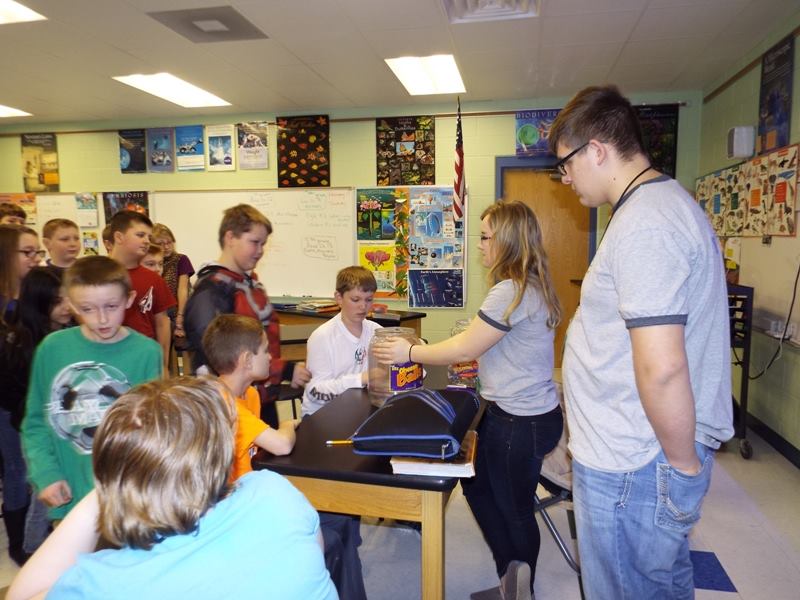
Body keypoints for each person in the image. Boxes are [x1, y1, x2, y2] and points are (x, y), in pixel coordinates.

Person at [548, 85, 733, 599]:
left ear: (596, 151)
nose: (565, 179)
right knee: (660, 585)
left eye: (566, 164)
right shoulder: (657, 206)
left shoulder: (646, 224)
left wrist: (682, 466)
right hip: (636, 453)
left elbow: (662, 367)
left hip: (633, 460)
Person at [374, 200, 563, 600]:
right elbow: (478, 340)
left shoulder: (511, 291)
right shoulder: (529, 286)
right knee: (476, 487)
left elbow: (465, 348)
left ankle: (519, 589)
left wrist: (411, 352)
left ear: (507, 241)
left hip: (520, 421)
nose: (479, 245)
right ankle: (510, 578)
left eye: (485, 237)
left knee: (514, 509)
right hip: (518, 413)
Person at [8, 377, 338, 600]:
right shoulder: (274, 492)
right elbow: (313, 550)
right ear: (221, 451)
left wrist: (109, 484)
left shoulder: (105, 583)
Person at [21, 256, 162, 524]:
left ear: (129, 299)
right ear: (71, 305)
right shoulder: (51, 349)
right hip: (70, 494)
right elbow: (35, 422)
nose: (102, 318)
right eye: (87, 308)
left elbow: (152, 429)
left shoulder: (147, 352)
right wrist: (46, 475)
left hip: (126, 497)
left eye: (111, 306)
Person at [184, 203, 310, 417]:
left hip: (259, 397)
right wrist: (285, 370)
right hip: (230, 406)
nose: (260, 251)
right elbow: (220, 353)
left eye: (263, 244)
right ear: (230, 238)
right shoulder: (212, 289)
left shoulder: (249, 283)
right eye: (254, 242)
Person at [15, 267, 75, 555]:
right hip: (38, 431)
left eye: (67, 299)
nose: (66, 308)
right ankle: (31, 550)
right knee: (45, 501)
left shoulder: (67, 335)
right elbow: (26, 403)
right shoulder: (25, 343)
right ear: (39, 304)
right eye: (56, 302)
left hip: (65, 429)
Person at [201, 314, 299, 481]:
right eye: (265, 350)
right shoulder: (225, 405)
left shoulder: (250, 393)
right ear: (247, 360)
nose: (270, 357)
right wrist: (287, 424)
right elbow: (282, 445)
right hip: (232, 493)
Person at [0, 224, 44, 565]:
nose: (35, 259)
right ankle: (18, 542)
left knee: (32, 469)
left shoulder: (30, 300)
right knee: (16, 469)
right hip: (7, 404)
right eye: (26, 252)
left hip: (31, 399)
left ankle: (33, 532)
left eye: (37, 252)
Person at [302, 266, 382, 416]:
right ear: (339, 298)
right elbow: (315, 392)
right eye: (355, 299)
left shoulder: (376, 331)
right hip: (322, 414)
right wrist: (360, 379)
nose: (363, 306)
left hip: (358, 408)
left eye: (369, 300)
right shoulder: (322, 337)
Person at [108, 210, 175, 372]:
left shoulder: (154, 279)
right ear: (119, 237)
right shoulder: (97, 274)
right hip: (108, 357)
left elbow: (162, 323)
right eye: (140, 235)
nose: (146, 241)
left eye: (148, 237)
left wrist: (163, 364)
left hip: (144, 359)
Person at [150, 222, 195, 344]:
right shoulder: (150, 262)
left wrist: (180, 315)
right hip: (157, 312)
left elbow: (182, 289)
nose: (166, 247)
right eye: (160, 243)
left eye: (169, 242)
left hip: (176, 310)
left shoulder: (181, 259)